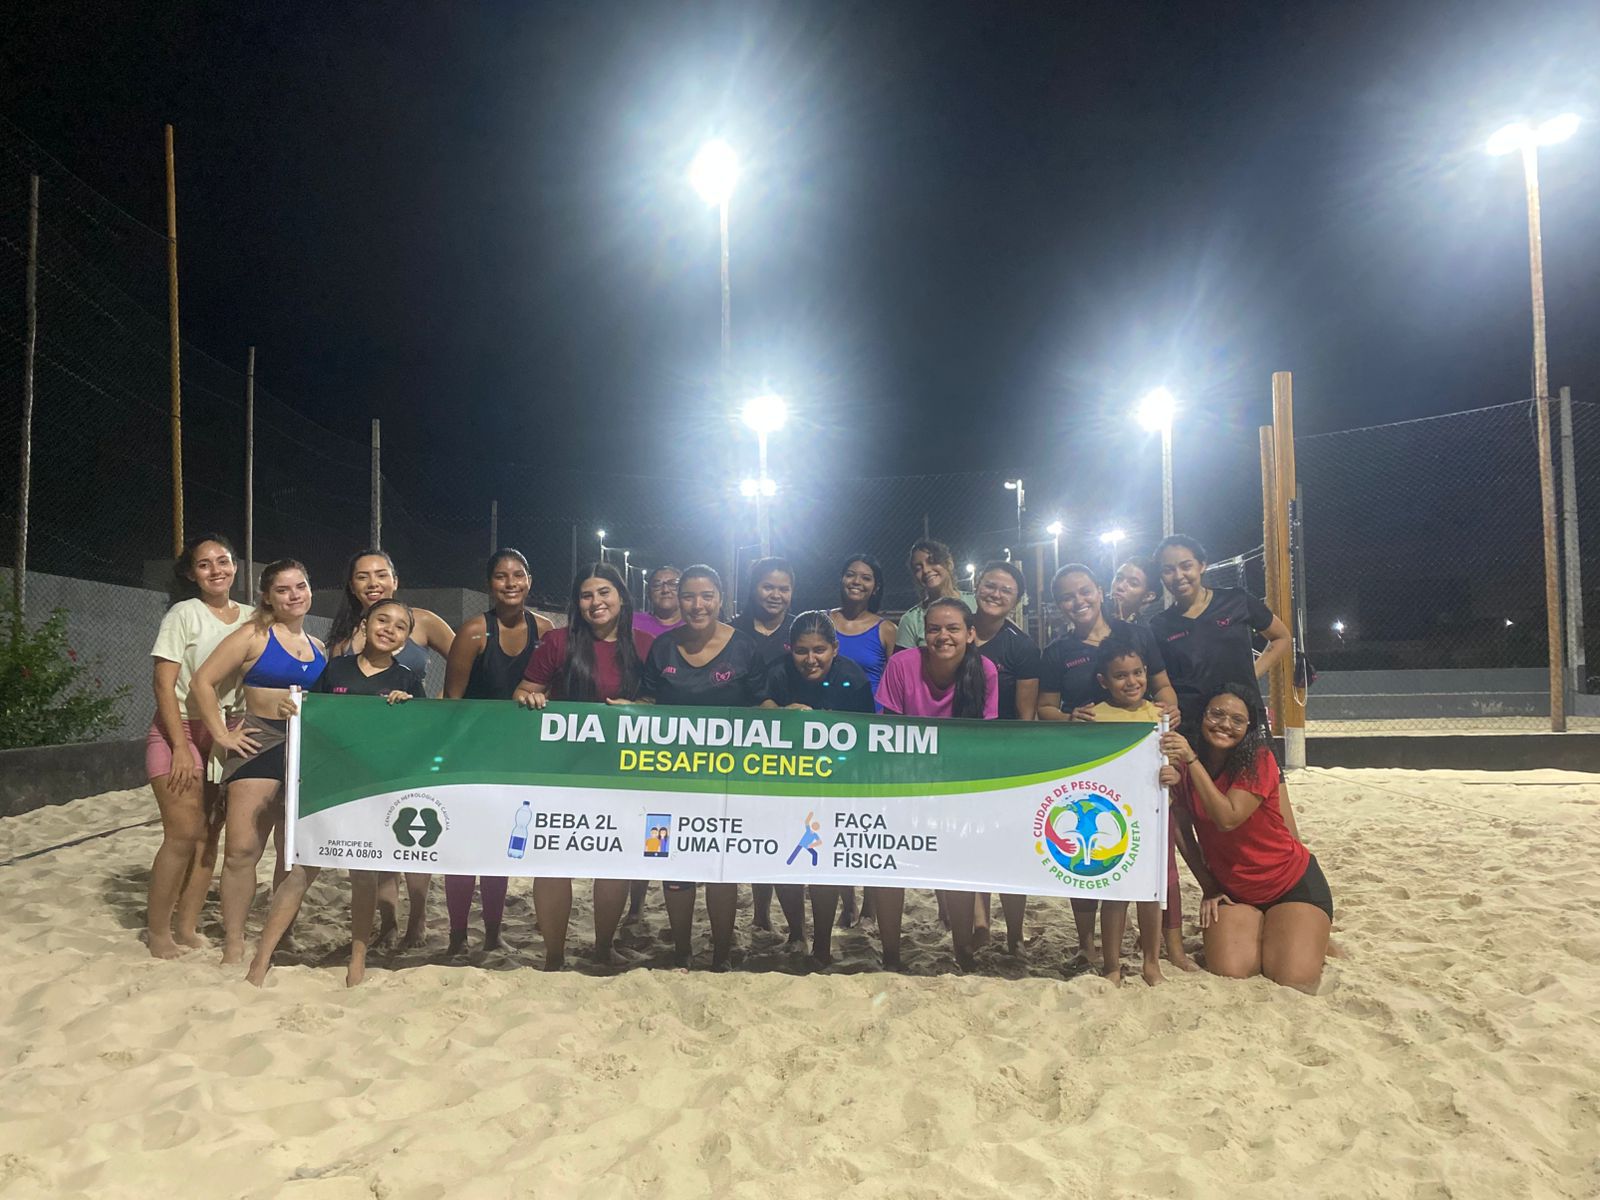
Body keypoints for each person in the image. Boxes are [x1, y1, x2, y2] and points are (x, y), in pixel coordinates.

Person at [245, 598, 423, 987]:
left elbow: (420, 735)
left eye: (400, 626)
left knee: (364, 875)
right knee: (300, 872)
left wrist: (408, 709)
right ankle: (261, 958)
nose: (389, 629)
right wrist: (292, 708)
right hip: (326, 786)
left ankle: (357, 959)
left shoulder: (408, 681)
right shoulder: (336, 669)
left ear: (406, 639)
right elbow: (309, 713)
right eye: (382, 620)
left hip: (373, 791)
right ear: (365, 624)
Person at [1038, 563, 1182, 966]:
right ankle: (1087, 944)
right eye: (1067, 597)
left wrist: (1170, 709)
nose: (1078, 601)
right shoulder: (1057, 652)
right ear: (1059, 605)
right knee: (1086, 849)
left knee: (1154, 857)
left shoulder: (1136, 635)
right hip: (1087, 764)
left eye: (1084, 591)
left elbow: (1162, 686)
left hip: (1141, 767)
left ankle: (1164, 948)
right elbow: (1044, 708)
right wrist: (1068, 718)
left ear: (1099, 591)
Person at [514, 562, 654, 968]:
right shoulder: (557, 642)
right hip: (563, 770)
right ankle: (554, 956)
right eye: (586, 595)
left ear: (622, 596)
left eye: (604, 592)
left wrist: (638, 707)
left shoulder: (645, 645)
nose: (596, 602)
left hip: (621, 770)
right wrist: (530, 698)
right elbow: (523, 691)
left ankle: (603, 948)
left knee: (614, 860)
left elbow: (658, 703)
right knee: (553, 860)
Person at [190, 559, 327, 965]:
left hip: (305, 748)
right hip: (260, 742)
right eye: (283, 589)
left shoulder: (318, 647)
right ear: (267, 596)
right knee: (242, 850)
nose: (294, 595)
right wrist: (222, 734)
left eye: (300, 586)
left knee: (291, 852)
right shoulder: (253, 635)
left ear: (310, 590)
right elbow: (202, 681)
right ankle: (234, 940)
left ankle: (280, 934)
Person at [633, 565, 766, 969]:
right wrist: (624, 710)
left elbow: (763, 704)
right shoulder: (663, 647)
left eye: (707, 596)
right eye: (688, 596)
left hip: (726, 777)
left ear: (721, 599)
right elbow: (647, 702)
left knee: (720, 865)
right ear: (679, 600)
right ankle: (682, 951)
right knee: (674, 864)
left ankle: (722, 953)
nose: (697, 605)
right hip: (669, 775)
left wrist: (788, 714)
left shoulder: (745, 647)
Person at [1160, 684, 1332, 992]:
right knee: (1230, 971)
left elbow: (1227, 817)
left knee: (1293, 979)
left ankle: (1307, 932)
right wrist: (1209, 886)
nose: (1225, 724)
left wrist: (1192, 761)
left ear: (1249, 727)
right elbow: (1180, 830)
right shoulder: (1184, 768)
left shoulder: (1258, 760)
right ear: (1202, 716)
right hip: (1233, 892)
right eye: (1217, 714)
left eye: (1237, 720)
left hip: (1290, 884)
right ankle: (1282, 931)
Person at [327, 549, 456, 948]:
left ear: (395, 580)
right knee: (376, 838)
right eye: (362, 576)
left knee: (415, 834)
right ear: (352, 586)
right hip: (363, 758)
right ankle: (387, 922)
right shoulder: (344, 639)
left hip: (414, 748)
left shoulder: (422, 621)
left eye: (381, 574)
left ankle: (417, 919)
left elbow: (467, 662)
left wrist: (436, 705)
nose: (373, 583)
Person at [875, 597, 998, 970]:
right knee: (890, 866)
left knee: (958, 865)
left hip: (957, 783)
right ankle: (891, 956)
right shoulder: (901, 665)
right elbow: (889, 734)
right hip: (904, 781)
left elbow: (984, 739)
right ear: (923, 634)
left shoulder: (985, 671)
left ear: (970, 634)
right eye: (934, 629)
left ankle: (963, 950)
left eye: (953, 628)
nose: (943, 636)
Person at [441, 548, 553, 957]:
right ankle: (457, 936)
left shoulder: (545, 630)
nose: (510, 583)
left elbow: (551, 694)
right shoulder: (474, 632)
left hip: (517, 758)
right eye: (501, 576)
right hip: (471, 756)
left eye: (518, 575)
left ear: (529, 581)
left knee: (498, 848)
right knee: (463, 849)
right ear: (490, 584)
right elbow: (452, 703)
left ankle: (492, 933)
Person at [144, 534, 248, 959]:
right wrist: (180, 746)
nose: (216, 570)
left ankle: (186, 926)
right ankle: (157, 932)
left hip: (230, 728)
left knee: (209, 834)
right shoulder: (183, 614)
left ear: (236, 566)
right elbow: (163, 684)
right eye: (204, 564)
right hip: (182, 728)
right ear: (192, 574)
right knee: (182, 834)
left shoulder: (253, 618)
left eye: (223, 561)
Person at [757, 609, 874, 964]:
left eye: (819, 650)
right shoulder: (777, 671)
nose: (811, 659)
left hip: (835, 784)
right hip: (785, 780)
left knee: (824, 864)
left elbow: (866, 734)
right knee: (786, 858)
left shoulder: (852, 678)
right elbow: (760, 707)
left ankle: (822, 943)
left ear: (835, 649)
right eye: (802, 651)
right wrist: (782, 713)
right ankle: (796, 932)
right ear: (790, 649)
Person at [1086, 638, 1170, 985]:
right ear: (1103, 681)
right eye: (1120, 676)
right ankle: (1112, 965)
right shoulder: (1094, 717)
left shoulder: (1159, 715)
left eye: (1137, 673)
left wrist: (1174, 773)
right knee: (1115, 893)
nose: (1131, 681)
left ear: (1147, 672)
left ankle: (1152, 963)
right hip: (1111, 816)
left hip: (1151, 815)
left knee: (1150, 894)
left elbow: (1170, 761)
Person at [1149, 535, 1292, 733]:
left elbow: (1282, 637)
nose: (1178, 575)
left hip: (1240, 717)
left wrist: (1251, 674)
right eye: (1168, 570)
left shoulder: (1236, 600)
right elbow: (1161, 683)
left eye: (1186, 566)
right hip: (1192, 724)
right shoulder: (1159, 625)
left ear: (1202, 565)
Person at [969, 560, 1041, 953]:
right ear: (976, 586)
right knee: (973, 840)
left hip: (1004, 755)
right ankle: (980, 921)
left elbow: (1026, 715)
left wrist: (1019, 763)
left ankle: (1014, 934)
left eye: (1006, 590)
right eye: (990, 585)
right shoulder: (956, 630)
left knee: (1011, 847)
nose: (995, 594)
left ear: (1016, 601)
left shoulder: (1022, 647)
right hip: (963, 753)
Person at [732, 556, 797, 931]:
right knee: (755, 832)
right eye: (768, 587)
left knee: (784, 832)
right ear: (754, 588)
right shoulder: (733, 630)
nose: (775, 595)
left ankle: (792, 925)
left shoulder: (799, 630)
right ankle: (759, 913)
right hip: (743, 744)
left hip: (791, 748)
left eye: (783, 588)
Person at [828, 553, 897, 692]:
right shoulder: (822, 621)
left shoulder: (887, 630)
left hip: (870, 706)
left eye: (866, 578)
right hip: (825, 705)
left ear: (876, 587)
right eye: (850, 575)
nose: (856, 581)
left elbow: (896, 682)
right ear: (842, 579)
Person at [894, 539, 976, 650]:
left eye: (932, 562)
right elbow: (903, 660)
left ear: (949, 563)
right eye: (918, 568)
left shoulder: (975, 603)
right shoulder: (911, 620)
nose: (926, 570)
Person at [633, 564, 684, 639]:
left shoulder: (694, 625)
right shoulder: (633, 622)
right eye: (657, 585)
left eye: (673, 584)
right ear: (649, 593)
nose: (665, 590)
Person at [1110, 556, 1163, 624]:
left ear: (1148, 596)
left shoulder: (1143, 629)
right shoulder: (1097, 613)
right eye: (1119, 578)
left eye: (1133, 583)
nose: (1120, 586)